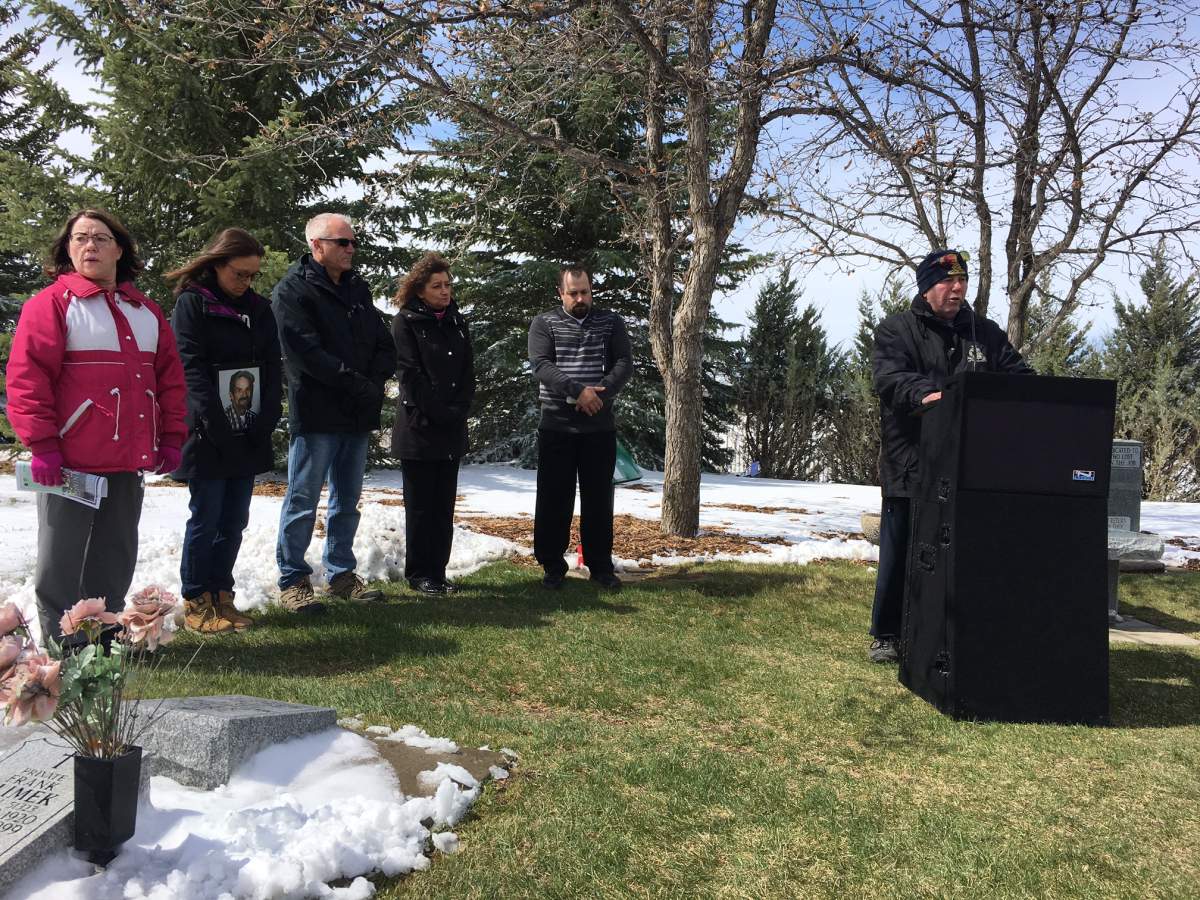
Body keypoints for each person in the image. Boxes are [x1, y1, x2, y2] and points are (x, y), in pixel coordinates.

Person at [5, 209, 186, 644]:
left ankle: (101, 647)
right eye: (80, 238)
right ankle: (62, 652)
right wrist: (44, 445)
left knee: (114, 558)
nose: (90, 246)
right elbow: (27, 380)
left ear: (119, 249)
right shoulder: (50, 305)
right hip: (67, 464)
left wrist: (173, 438)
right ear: (68, 249)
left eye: (101, 238)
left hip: (125, 462)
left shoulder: (145, 312)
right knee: (60, 564)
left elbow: (171, 382)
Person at [869, 248, 1034, 663]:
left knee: (964, 553)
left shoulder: (985, 333)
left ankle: (957, 630)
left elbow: (1021, 378)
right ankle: (887, 634)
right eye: (947, 282)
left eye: (962, 281)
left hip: (971, 465)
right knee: (901, 552)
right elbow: (891, 379)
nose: (957, 289)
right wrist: (930, 396)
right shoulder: (896, 330)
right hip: (912, 461)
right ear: (927, 288)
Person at [272, 212, 396, 613]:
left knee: (348, 500)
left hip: (356, 413)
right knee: (303, 499)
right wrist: (356, 382)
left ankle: (341, 573)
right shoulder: (292, 291)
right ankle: (293, 579)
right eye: (343, 242)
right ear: (316, 246)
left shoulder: (357, 289)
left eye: (354, 242)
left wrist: (375, 380)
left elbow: (382, 342)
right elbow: (305, 353)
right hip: (317, 414)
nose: (351, 249)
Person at [166, 228, 282, 634]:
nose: (246, 282)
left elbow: (272, 366)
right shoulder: (193, 304)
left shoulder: (259, 309)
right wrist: (212, 422)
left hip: (247, 428)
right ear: (216, 265)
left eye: (253, 275)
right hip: (208, 432)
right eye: (239, 273)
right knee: (207, 516)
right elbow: (190, 367)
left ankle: (222, 596)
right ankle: (196, 599)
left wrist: (266, 417)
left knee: (235, 519)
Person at [528, 264, 633, 590]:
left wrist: (599, 393)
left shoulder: (610, 322)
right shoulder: (544, 323)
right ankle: (552, 566)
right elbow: (542, 365)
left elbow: (623, 363)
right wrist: (578, 391)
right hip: (557, 424)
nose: (579, 298)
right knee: (553, 500)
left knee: (599, 500)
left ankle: (600, 566)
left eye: (584, 291)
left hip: (598, 426)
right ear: (561, 293)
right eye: (573, 292)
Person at [391, 253, 476, 595]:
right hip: (419, 427)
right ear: (421, 290)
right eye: (437, 286)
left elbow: (468, 371)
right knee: (421, 506)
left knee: (444, 505)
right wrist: (440, 411)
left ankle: (438, 572)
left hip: (451, 428)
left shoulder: (457, 322)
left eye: (448, 285)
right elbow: (410, 375)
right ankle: (419, 573)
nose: (445, 291)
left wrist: (459, 409)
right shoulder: (405, 322)